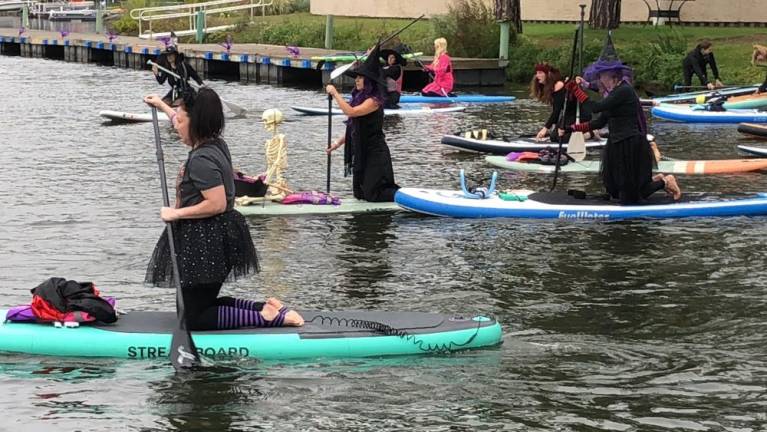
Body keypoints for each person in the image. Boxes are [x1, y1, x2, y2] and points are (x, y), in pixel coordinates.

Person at [143, 87, 304, 330]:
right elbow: (181, 119)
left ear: (195, 123)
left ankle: (269, 318)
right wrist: (162, 106)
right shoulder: (215, 143)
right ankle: (266, 307)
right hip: (214, 236)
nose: (176, 125)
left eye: (181, 120)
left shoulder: (200, 160)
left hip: (206, 241)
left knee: (192, 318)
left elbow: (216, 203)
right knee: (200, 304)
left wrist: (175, 213)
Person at [566, 61, 682, 204]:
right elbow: (599, 122)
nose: (600, 81)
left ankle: (666, 182)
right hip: (616, 145)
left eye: (602, 77)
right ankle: (655, 180)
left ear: (613, 77)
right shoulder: (613, 95)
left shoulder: (624, 91)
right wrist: (571, 128)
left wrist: (577, 91)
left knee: (630, 198)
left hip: (630, 144)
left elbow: (595, 108)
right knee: (614, 192)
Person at [325, 45, 400, 202]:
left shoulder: (374, 101)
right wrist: (337, 143)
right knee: (360, 193)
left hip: (375, 153)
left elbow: (351, 112)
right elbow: (353, 125)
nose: (357, 80)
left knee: (374, 194)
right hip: (362, 151)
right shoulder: (359, 98)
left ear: (369, 81)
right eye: (356, 78)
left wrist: (335, 93)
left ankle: (405, 197)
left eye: (360, 78)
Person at [530, 62, 593, 142]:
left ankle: (591, 132)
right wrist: (554, 127)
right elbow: (556, 110)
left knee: (563, 139)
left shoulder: (558, 85)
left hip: (580, 113)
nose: (537, 75)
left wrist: (545, 129)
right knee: (553, 137)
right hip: (568, 114)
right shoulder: (550, 87)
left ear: (548, 74)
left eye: (540, 73)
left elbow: (557, 110)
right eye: (536, 73)